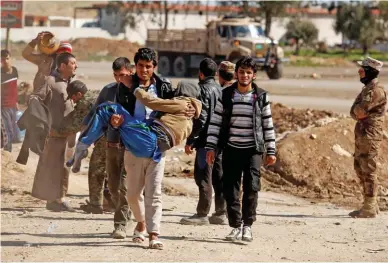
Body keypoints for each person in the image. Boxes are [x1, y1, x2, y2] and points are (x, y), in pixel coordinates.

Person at [206, 56, 277, 242]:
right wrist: (211, 147)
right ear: (236, 73)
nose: (244, 75)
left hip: (253, 150)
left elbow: (268, 125)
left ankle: (248, 226)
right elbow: (216, 121)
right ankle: (236, 226)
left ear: (254, 75)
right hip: (231, 149)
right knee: (231, 188)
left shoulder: (261, 96)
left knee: (252, 187)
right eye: (241, 72)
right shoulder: (226, 94)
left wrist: (271, 150)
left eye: (248, 72)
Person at [111, 47, 176, 249]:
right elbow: (117, 110)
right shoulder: (126, 86)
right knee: (132, 194)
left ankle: (154, 234)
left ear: (154, 67)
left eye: (148, 66)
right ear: (135, 66)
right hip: (132, 146)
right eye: (140, 66)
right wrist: (115, 121)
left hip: (157, 147)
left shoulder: (164, 87)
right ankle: (140, 222)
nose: (144, 70)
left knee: (154, 192)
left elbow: (173, 108)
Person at [81, 57, 134, 234]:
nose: (120, 79)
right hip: (110, 141)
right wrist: (89, 134)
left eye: (124, 75)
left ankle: (122, 223)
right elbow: (95, 113)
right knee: (112, 185)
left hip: (131, 143)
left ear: (131, 72)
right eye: (117, 75)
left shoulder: (138, 91)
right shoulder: (108, 90)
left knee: (125, 184)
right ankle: (121, 208)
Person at [180, 58, 227, 226]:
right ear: (215, 74)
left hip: (205, 141)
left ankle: (202, 214)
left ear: (200, 74)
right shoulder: (221, 90)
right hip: (220, 142)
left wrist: (191, 139)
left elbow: (202, 118)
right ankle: (221, 212)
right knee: (218, 177)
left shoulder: (202, 90)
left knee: (203, 177)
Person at [30, 52, 77, 212]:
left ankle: (59, 197)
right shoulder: (50, 81)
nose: (75, 66)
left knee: (64, 166)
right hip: (54, 134)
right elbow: (36, 100)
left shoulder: (71, 83)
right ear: (62, 66)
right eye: (72, 63)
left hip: (69, 134)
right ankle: (54, 199)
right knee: (52, 166)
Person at [349, 57, 386, 218]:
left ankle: (370, 206)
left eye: (362, 69)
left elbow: (359, 111)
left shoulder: (376, 91)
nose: (359, 72)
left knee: (369, 169)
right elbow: (354, 112)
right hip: (363, 134)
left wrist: (357, 111)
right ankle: (369, 203)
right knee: (359, 167)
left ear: (370, 71)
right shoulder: (366, 90)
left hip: (370, 135)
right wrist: (357, 111)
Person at [1, 49, 19, 152]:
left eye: (7, 59)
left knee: (12, 130)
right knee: (7, 130)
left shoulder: (15, 70)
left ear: (10, 59)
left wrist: (16, 102)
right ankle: (8, 152)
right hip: (3, 105)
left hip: (13, 105)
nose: (5, 61)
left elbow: (14, 87)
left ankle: (6, 151)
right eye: (3, 59)